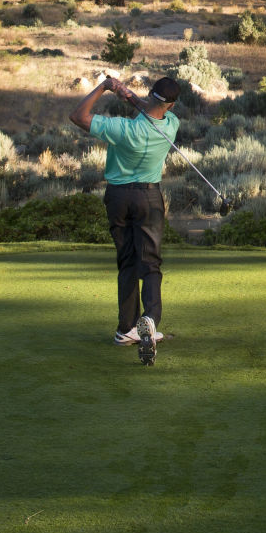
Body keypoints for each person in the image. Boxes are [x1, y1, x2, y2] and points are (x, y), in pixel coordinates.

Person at [70, 73, 180, 347]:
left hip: (118, 197)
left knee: (127, 261)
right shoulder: (172, 124)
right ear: (172, 106)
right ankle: (150, 321)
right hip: (149, 198)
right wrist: (127, 94)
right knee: (150, 263)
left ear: (152, 93)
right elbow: (151, 109)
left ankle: (126, 328)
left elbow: (78, 116)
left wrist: (105, 88)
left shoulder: (122, 129)